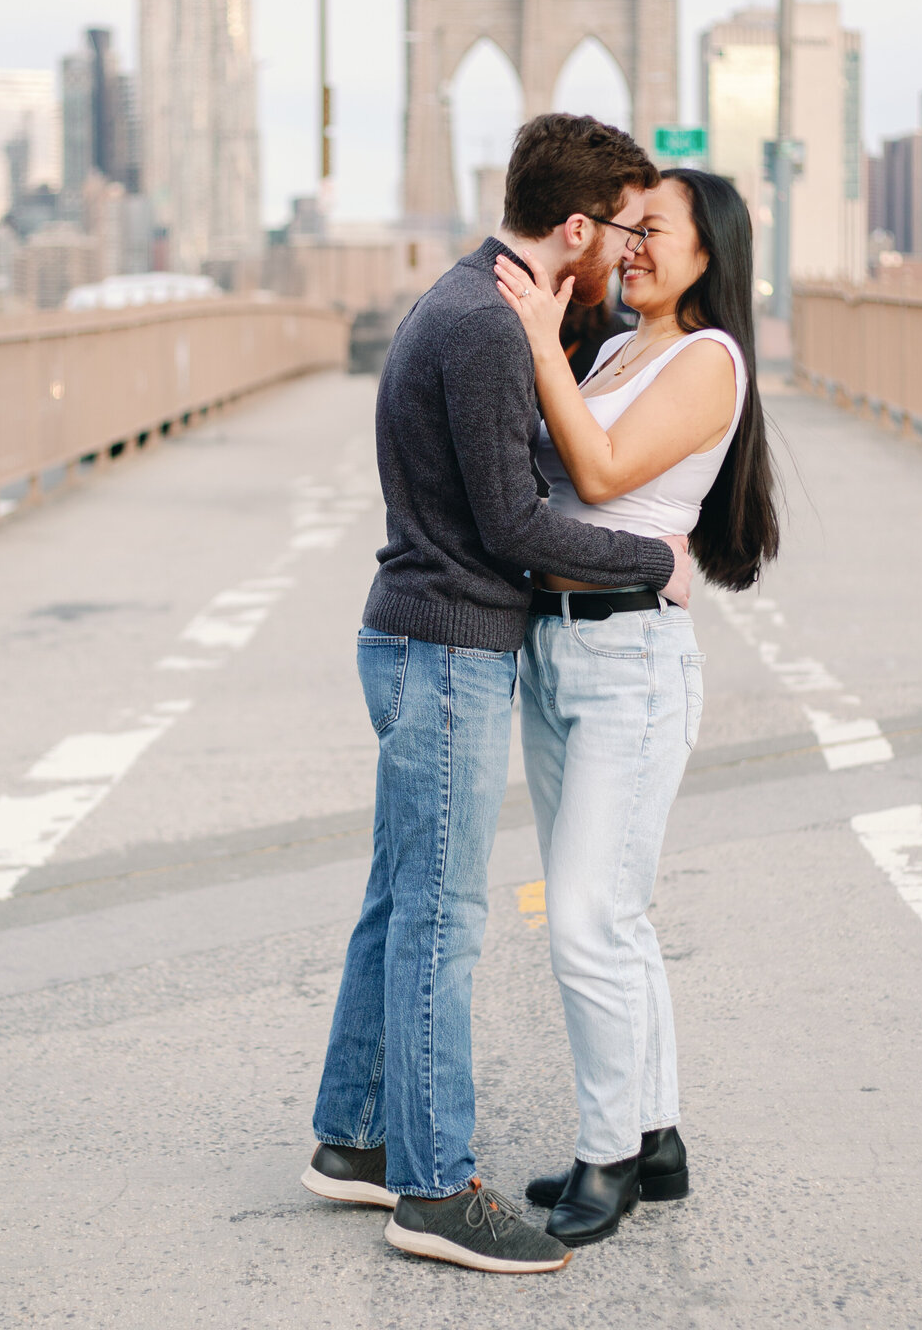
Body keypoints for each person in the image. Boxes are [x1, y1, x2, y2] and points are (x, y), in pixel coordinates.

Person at [301, 114, 692, 1276]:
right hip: (450, 650)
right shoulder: (481, 326)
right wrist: (656, 562)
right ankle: (432, 1188)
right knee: (441, 921)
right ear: (573, 224)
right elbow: (514, 522)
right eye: (618, 224)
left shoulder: (479, 303)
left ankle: (356, 1137)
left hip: (427, 643)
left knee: (397, 901)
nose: (623, 249)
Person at [493, 168, 780, 1246]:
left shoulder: (712, 361)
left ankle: (606, 1154)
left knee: (583, 921)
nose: (634, 245)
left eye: (656, 230)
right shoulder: (616, 348)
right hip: (559, 655)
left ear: (713, 254)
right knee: (617, 916)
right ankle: (656, 1141)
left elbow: (602, 471)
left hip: (636, 665)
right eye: (629, 227)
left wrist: (532, 339)